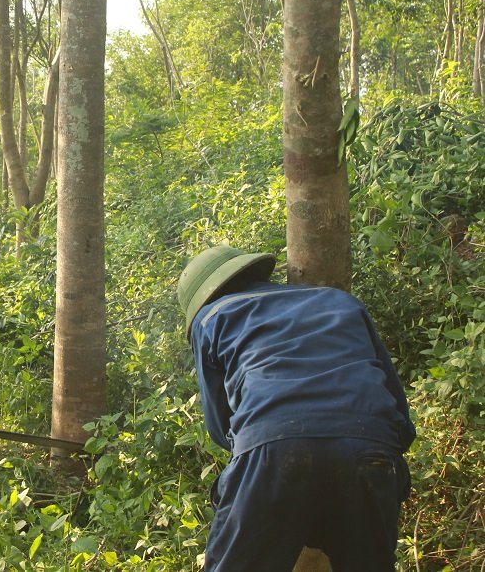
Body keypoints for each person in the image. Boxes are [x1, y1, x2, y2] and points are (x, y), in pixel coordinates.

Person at [176, 245, 416, 572]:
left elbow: (221, 428)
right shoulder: (342, 301)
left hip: (273, 447)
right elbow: (398, 413)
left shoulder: (212, 317)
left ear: (200, 302)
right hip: (371, 446)